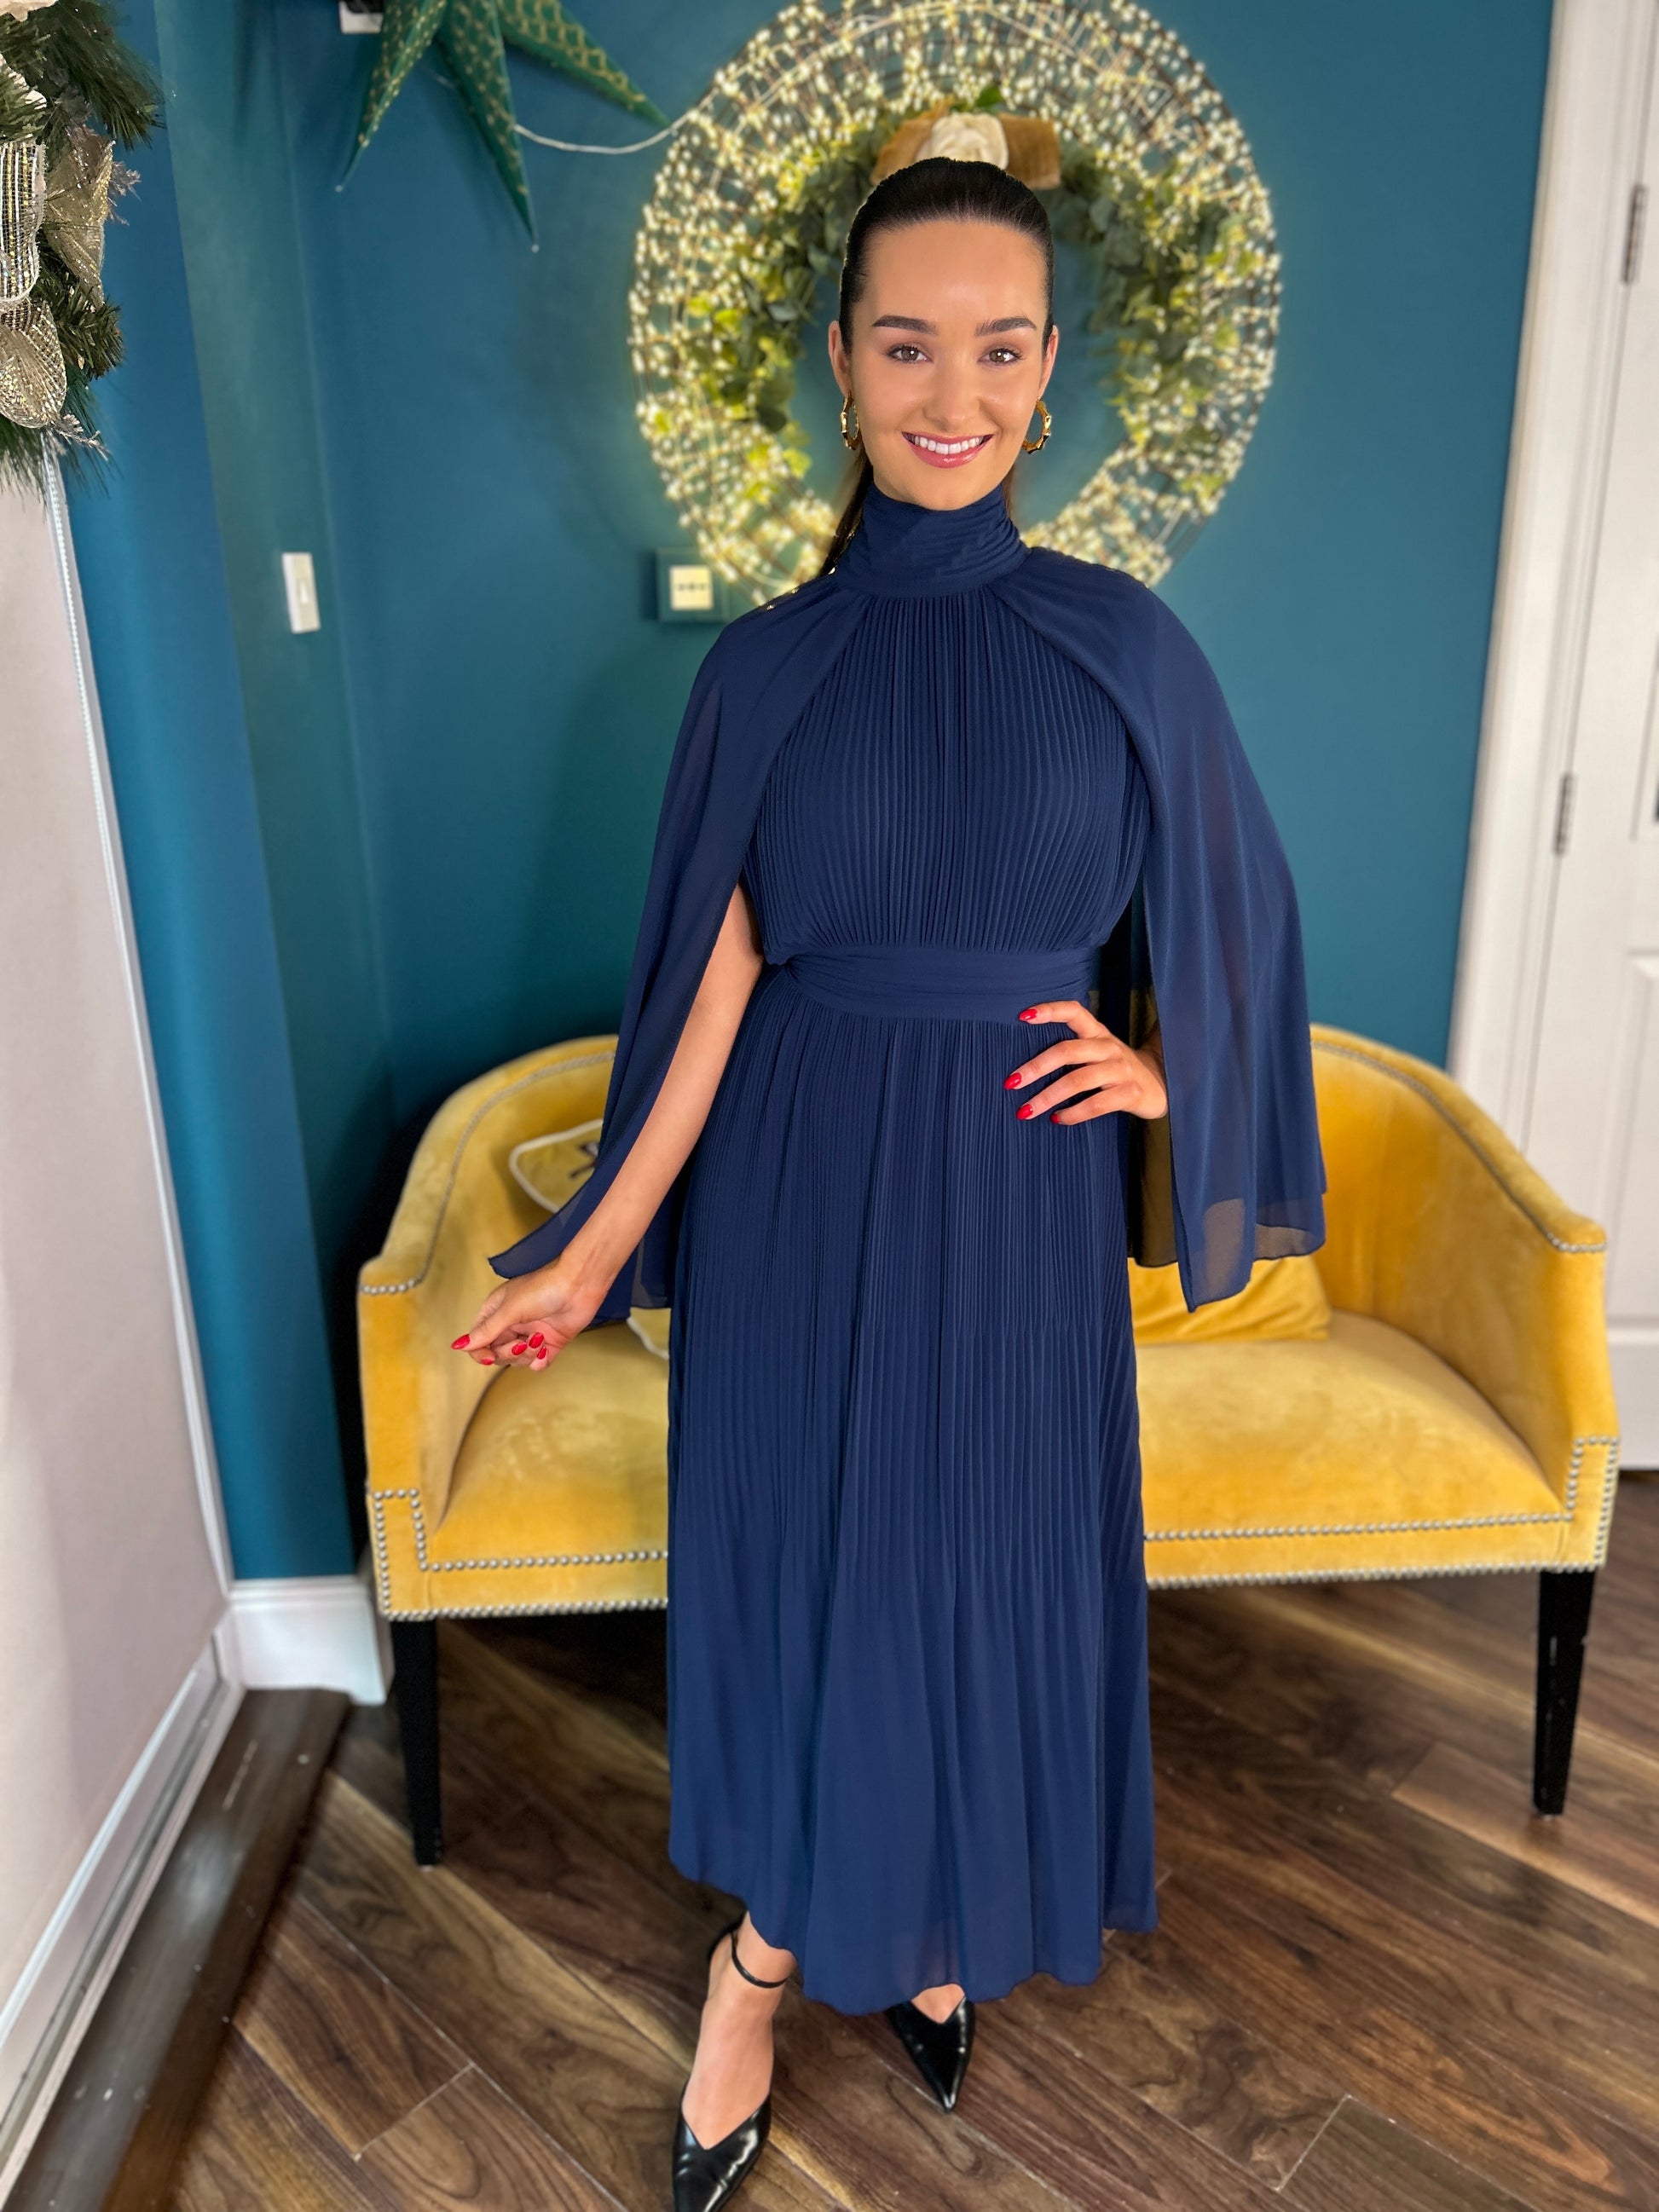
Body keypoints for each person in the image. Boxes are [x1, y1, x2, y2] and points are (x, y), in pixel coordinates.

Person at [453, 157, 1325, 2212]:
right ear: (840, 363)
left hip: (1018, 1204)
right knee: (834, 1584)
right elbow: (707, 991)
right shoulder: (762, 669)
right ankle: (759, 1970)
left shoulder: (1127, 648)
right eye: (909, 344)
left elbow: (1241, 922)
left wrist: (1174, 1069)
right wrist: (592, 1248)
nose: (956, 393)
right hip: (805, 1189)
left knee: (979, 1574)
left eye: (999, 348)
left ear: (1049, 369)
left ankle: (917, 1920)